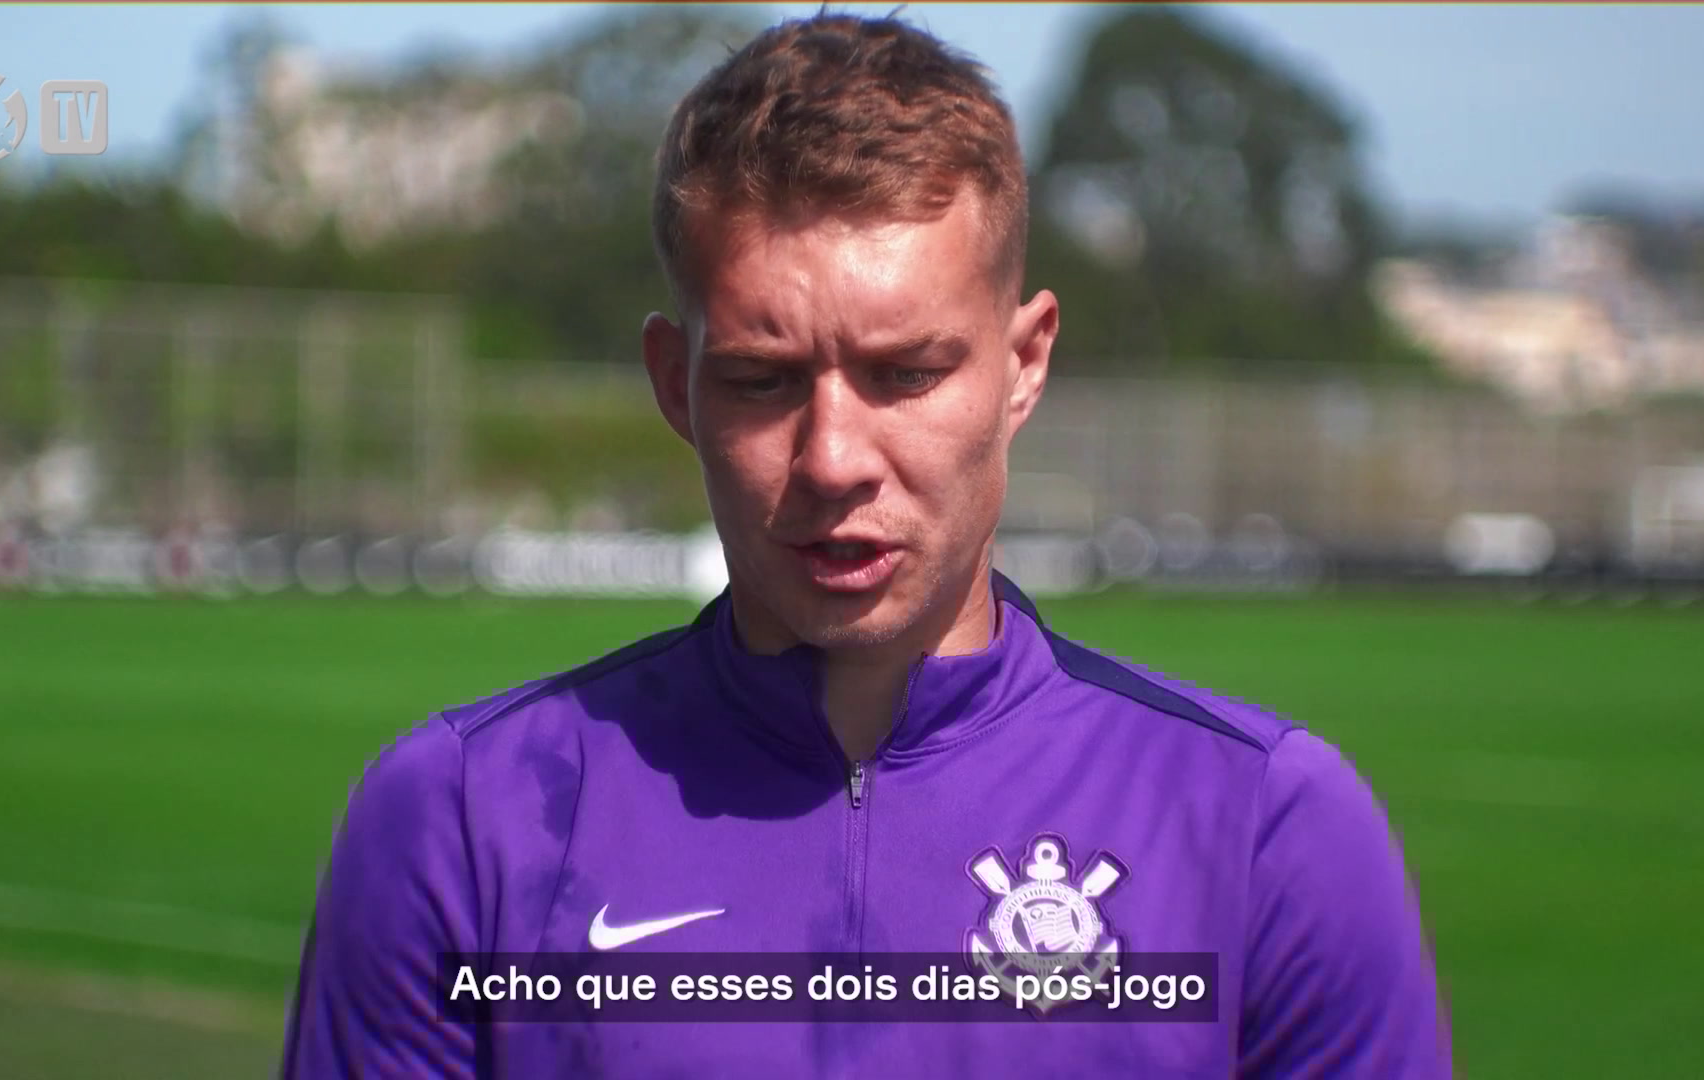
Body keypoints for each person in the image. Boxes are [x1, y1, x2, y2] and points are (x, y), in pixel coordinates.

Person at [281, 11, 1451, 1078]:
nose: (834, 456)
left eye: (907, 373)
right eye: (762, 379)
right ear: (675, 383)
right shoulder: (460, 818)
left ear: (1024, 364)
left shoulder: (1267, 830)